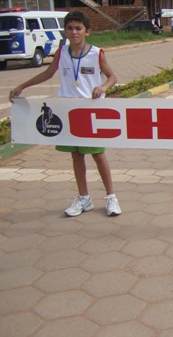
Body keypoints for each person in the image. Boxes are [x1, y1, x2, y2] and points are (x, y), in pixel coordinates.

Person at [8, 11, 122, 218]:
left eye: (78, 28)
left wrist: (103, 87)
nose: (74, 32)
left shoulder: (96, 53)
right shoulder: (61, 52)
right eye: (69, 28)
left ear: (87, 31)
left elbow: (112, 77)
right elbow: (47, 73)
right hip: (67, 111)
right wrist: (22, 86)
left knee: (98, 154)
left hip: (89, 111)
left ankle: (110, 197)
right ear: (65, 31)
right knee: (76, 155)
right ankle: (84, 198)